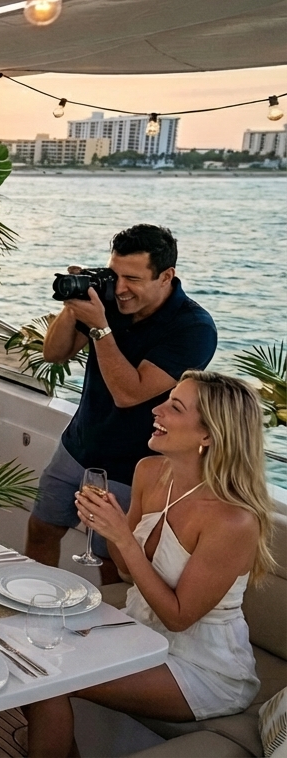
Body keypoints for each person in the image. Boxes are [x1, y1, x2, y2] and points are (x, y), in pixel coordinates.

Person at [25, 371, 275, 757]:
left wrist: (121, 535)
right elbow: (127, 572)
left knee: (47, 680)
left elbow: (178, 617)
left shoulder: (233, 520)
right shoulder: (149, 471)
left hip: (200, 667)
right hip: (138, 629)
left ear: (208, 435)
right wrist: (105, 524)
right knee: (27, 656)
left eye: (174, 406)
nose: (155, 409)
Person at [26, 224, 217, 584]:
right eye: (115, 274)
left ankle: (105, 635)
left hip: (136, 466)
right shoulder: (110, 301)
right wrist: (74, 307)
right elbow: (54, 354)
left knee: (112, 560)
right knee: (42, 529)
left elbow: (129, 393)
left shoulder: (193, 328)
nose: (121, 287)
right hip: (79, 446)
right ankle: (28, 605)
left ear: (166, 276)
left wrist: (100, 328)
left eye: (133, 278)